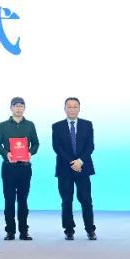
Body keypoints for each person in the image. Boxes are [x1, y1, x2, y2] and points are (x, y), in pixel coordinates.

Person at [0, 97, 40, 241]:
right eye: (16, 106)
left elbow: (36, 144)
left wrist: (30, 153)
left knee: (23, 200)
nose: (18, 108)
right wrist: (5, 153)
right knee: (9, 200)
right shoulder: (3, 126)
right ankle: (10, 231)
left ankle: (24, 231)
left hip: (25, 167)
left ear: (24, 108)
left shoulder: (30, 125)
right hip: (9, 167)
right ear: (11, 108)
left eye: (21, 106)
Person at [52, 97, 97, 241]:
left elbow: (90, 146)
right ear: (64, 109)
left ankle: (90, 229)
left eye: (75, 106)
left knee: (86, 200)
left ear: (79, 108)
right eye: (69, 107)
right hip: (65, 168)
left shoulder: (87, 124)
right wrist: (72, 162)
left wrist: (80, 161)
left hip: (83, 168)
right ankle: (69, 230)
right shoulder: (57, 126)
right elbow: (57, 147)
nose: (72, 109)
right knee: (66, 200)